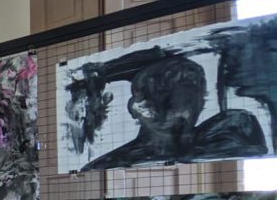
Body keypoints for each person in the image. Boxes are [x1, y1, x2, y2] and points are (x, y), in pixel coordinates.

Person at [83, 55, 266, 171]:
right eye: (170, 103)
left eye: (195, 102)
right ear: (140, 107)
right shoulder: (107, 165)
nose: (186, 113)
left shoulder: (230, 132)